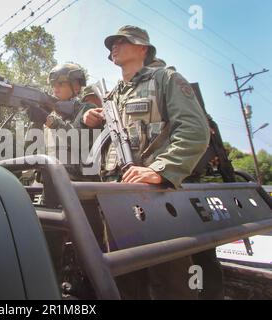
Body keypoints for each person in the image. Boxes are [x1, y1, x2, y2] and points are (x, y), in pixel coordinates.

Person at [83, 25, 212, 299]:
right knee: (123, 276)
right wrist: (91, 121)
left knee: (169, 278)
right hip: (116, 196)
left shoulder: (166, 78)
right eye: (112, 44)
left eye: (122, 41)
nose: (113, 47)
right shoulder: (113, 94)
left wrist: (160, 170)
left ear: (143, 48)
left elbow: (194, 130)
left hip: (157, 196)